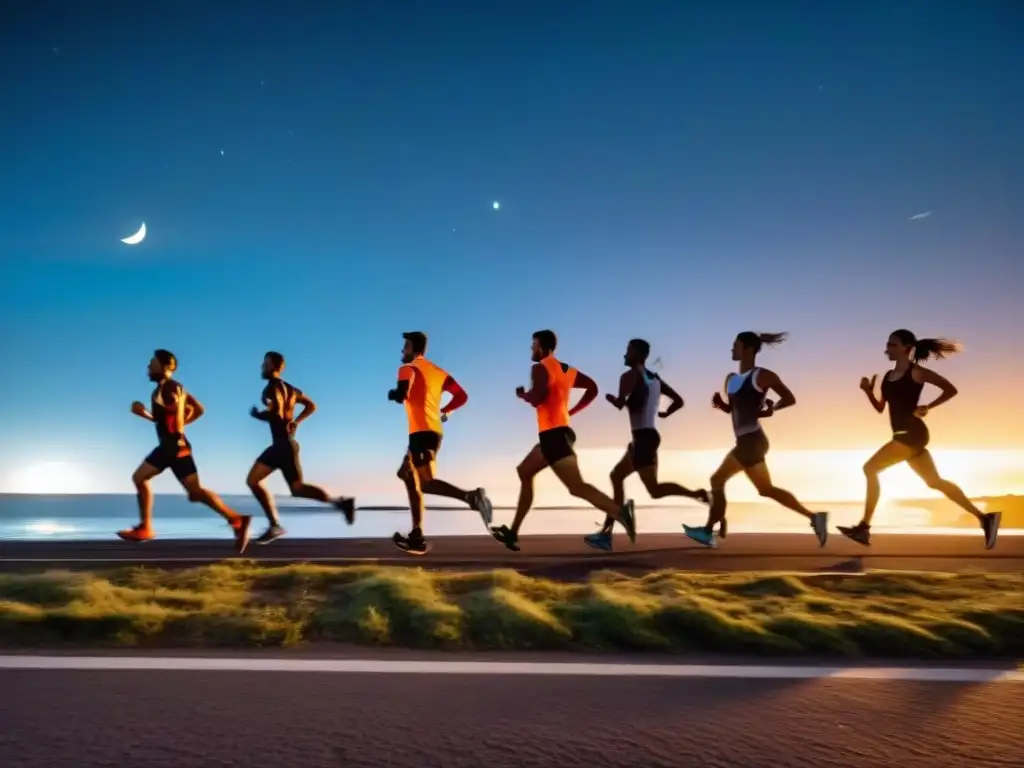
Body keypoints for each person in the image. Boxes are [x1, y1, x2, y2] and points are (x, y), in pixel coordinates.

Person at [839, 330, 1000, 549]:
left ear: (907, 347)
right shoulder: (887, 377)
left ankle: (864, 528)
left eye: (893, 345)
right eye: (888, 344)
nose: (887, 348)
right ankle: (985, 518)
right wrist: (868, 392)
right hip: (901, 435)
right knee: (934, 482)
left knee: (870, 468)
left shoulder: (917, 373)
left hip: (913, 435)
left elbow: (950, 389)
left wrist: (927, 407)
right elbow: (880, 408)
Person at [490, 329, 637, 551]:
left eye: (533, 345)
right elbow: (593, 388)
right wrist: (572, 411)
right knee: (525, 472)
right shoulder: (566, 369)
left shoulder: (539, 368)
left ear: (542, 347)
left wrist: (523, 395)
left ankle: (620, 512)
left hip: (553, 438)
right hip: (559, 434)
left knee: (576, 487)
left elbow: (537, 398)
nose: (531, 349)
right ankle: (513, 533)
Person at [682, 332, 829, 548]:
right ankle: (814, 518)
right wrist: (720, 406)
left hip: (753, 441)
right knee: (765, 489)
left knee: (717, 480)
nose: (732, 349)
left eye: (736, 345)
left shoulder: (763, 376)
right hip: (746, 441)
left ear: (749, 349)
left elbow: (789, 398)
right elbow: (734, 411)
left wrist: (772, 409)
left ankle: (707, 531)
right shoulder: (730, 379)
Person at [584, 338, 711, 552]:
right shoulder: (655, 378)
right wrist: (664, 413)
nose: (625, 355)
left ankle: (697, 494)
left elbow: (620, 404)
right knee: (619, 477)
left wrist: (612, 399)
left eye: (628, 351)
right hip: (648, 437)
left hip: (643, 439)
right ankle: (607, 532)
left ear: (639, 355)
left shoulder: (629, 376)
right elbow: (678, 400)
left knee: (653, 489)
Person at [119, 349, 252, 551]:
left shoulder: (167, 388)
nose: (148, 367)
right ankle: (236, 519)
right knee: (194, 493)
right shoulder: (177, 387)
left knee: (140, 478)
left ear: (164, 367)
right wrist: (172, 423)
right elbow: (197, 410)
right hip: (176, 444)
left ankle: (146, 527)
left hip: (171, 446)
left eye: (152, 363)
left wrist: (147, 415)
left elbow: (174, 416)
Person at [388, 331, 493, 555]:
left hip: (421, 433)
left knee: (426, 483)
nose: (401, 351)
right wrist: (445, 410)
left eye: (404, 347)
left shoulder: (408, 368)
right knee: (406, 474)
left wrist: (395, 394)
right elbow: (462, 396)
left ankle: (472, 497)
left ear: (413, 349)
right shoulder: (438, 372)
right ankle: (417, 536)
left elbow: (402, 393)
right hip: (432, 431)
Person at [246, 351, 356, 545]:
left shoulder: (271, 388)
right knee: (297, 488)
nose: (261, 367)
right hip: (288, 445)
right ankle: (340, 503)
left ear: (274, 366)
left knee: (253, 481)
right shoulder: (291, 388)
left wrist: (259, 414)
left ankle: (274, 525)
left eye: (265, 363)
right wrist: (297, 421)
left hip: (281, 446)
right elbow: (311, 405)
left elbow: (277, 412)